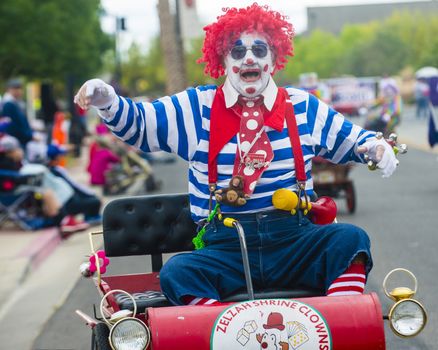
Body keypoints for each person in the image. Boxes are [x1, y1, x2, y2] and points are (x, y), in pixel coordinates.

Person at [74, 4, 399, 306]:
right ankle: (220, 329)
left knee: (350, 239)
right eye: (238, 50)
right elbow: (141, 126)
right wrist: (108, 102)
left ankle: (335, 317)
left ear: (272, 59)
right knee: (178, 272)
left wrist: (373, 146)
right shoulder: (197, 108)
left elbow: (349, 138)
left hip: (294, 241)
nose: (249, 59)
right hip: (225, 248)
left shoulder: (300, 106)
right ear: (224, 60)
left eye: (259, 50)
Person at [0, 78, 34, 149]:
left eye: (20, 88)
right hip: (16, 142)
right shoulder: (8, 104)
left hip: (20, 140)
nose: (19, 91)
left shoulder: (15, 103)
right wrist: (29, 136)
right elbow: (12, 126)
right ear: (9, 89)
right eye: (16, 88)